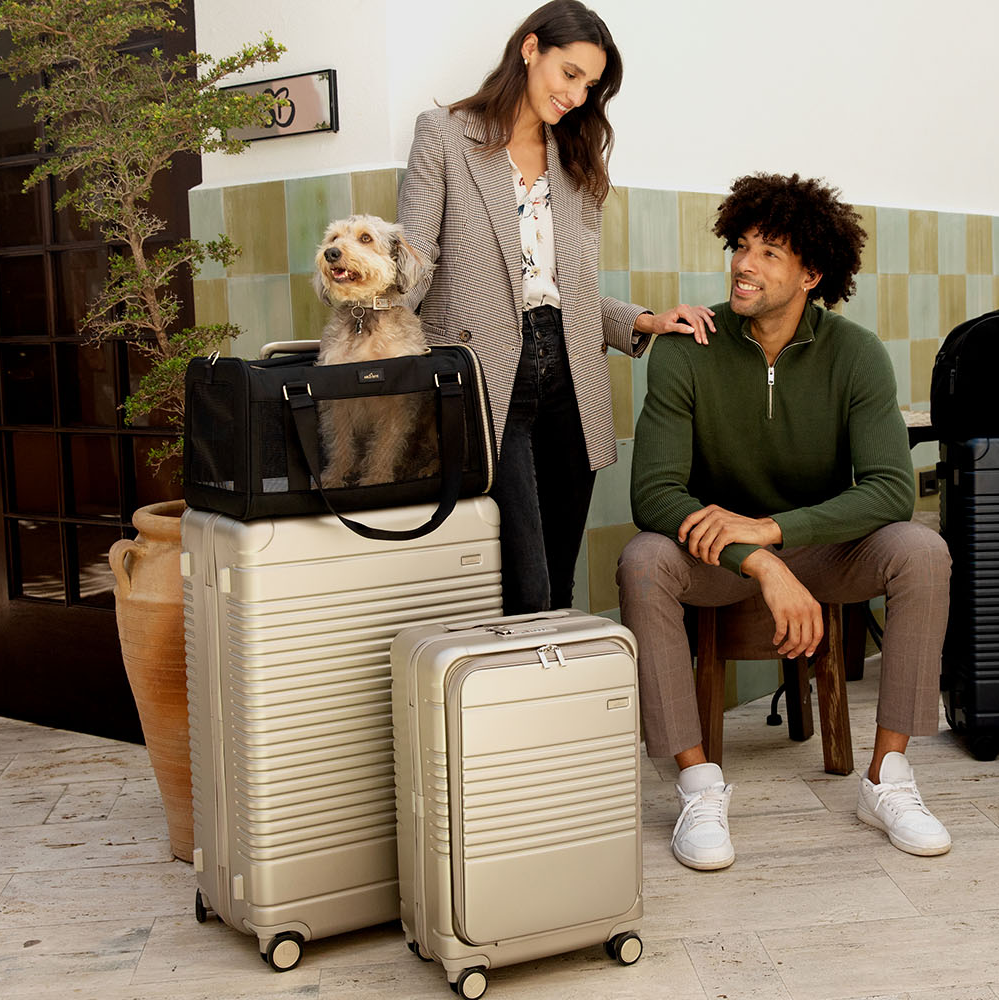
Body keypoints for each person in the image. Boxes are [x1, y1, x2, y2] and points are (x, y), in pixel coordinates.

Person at [616, 173, 953, 871]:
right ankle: (697, 784)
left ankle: (888, 777)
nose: (745, 263)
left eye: (771, 252)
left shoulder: (855, 353)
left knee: (922, 551)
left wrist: (774, 532)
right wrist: (759, 560)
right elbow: (653, 493)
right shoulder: (687, 347)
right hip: (719, 560)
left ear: (812, 272)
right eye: (742, 245)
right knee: (643, 560)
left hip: (820, 548)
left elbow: (892, 489)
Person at [398, 0, 714, 614]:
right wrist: (377, 344)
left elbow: (567, 289)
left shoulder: (575, 157)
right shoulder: (444, 134)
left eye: (589, 85)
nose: (576, 94)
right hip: (484, 371)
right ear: (530, 49)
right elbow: (417, 258)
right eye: (569, 73)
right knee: (525, 580)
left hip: (570, 373)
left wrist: (642, 321)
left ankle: (553, 703)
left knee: (560, 575)